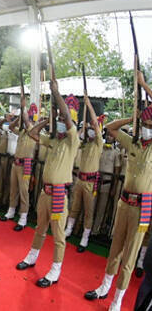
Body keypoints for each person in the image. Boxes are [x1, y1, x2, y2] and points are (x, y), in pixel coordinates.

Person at [84, 72, 152, 310]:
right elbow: (111, 129)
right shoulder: (133, 142)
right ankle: (104, 287)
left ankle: (117, 300)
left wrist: (144, 85)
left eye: (150, 126)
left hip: (144, 206)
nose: (146, 130)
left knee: (130, 255)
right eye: (144, 126)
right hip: (125, 202)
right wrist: (132, 117)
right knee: (115, 248)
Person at [15, 81, 80, 288]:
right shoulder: (54, 140)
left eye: (62, 118)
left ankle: (55, 270)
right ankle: (32, 256)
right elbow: (33, 133)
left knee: (58, 235)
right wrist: (46, 120)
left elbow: (68, 118)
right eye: (58, 118)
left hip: (60, 193)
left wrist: (56, 94)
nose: (61, 120)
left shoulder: (72, 140)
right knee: (40, 228)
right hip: (45, 192)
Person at [64, 96, 103, 253]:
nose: (92, 131)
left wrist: (89, 106)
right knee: (74, 207)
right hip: (80, 179)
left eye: (94, 129)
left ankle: (85, 238)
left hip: (90, 182)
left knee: (88, 211)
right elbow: (76, 136)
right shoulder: (84, 143)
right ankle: (69, 230)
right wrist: (83, 129)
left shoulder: (99, 143)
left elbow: (96, 125)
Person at [0, 98, 37, 231]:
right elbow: (10, 127)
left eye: (30, 119)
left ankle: (23, 216)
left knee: (24, 191)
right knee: (13, 188)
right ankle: (11, 210)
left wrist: (25, 117)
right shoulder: (22, 131)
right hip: (16, 163)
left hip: (25, 165)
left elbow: (29, 126)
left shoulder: (35, 133)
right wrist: (19, 118)